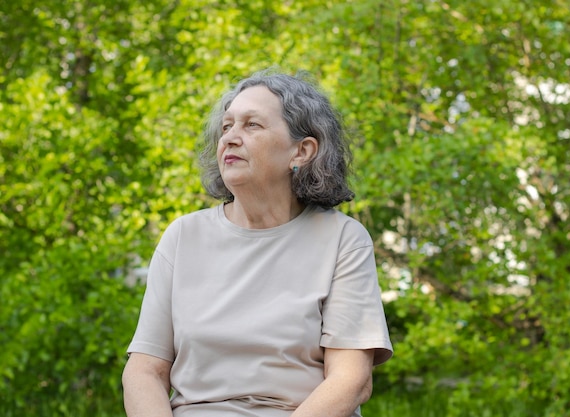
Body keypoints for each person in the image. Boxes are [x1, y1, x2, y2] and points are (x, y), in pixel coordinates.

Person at [122, 70, 393, 417]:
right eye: (226, 126)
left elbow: (351, 379)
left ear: (302, 151)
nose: (230, 138)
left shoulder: (343, 240)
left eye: (252, 125)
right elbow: (144, 370)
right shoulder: (182, 236)